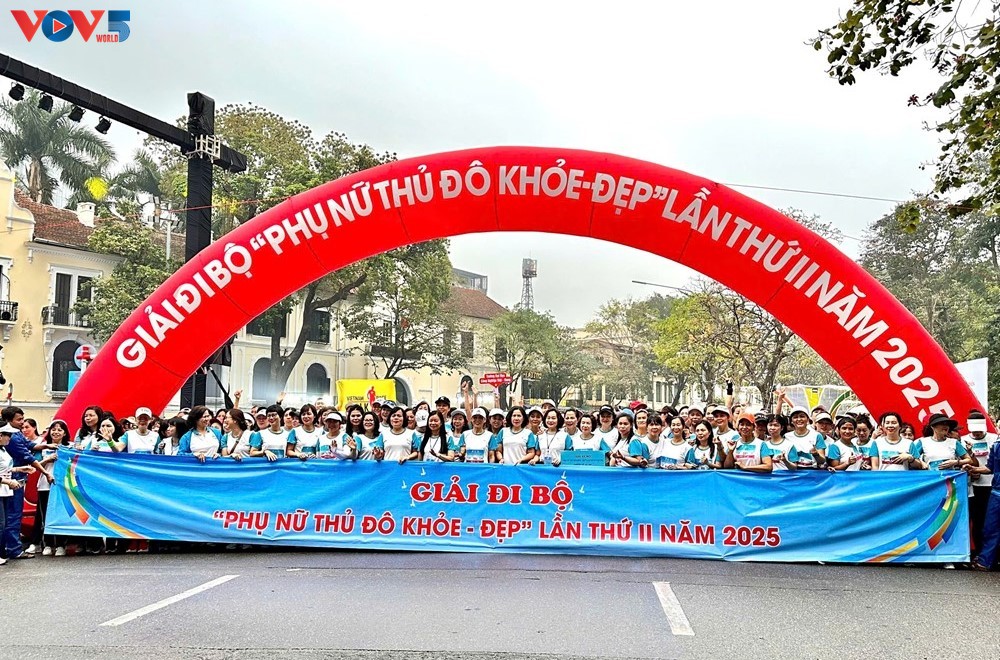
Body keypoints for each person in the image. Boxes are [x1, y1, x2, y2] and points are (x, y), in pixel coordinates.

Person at [964, 410, 999, 555]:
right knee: (977, 521)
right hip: (974, 486)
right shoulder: (963, 440)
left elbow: (991, 466)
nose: (977, 434)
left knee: (992, 522)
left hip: (992, 485)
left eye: (979, 431)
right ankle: (979, 553)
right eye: (974, 431)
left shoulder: (994, 439)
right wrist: (971, 470)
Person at [1, 423, 31, 565]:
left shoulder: (3, 450)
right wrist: (8, 482)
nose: (10, 437)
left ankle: (3, 551)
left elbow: (4, 469)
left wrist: (19, 469)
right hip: (4, 488)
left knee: (5, 523)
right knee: (1, 523)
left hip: (5, 491)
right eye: (8, 435)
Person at [973, 430, 1000, 570]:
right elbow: (990, 468)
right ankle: (985, 561)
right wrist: (974, 469)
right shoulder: (996, 445)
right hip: (996, 492)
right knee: (990, 528)